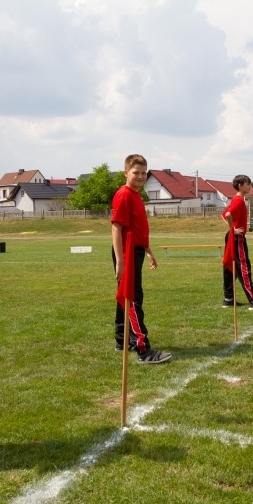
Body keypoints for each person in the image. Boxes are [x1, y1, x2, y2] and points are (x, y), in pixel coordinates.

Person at [111, 154, 172, 364]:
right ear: (126, 173)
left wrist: (148, 251)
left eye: (144, 173)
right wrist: (120, 260)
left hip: (136, 249)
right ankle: (143, 349)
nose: (140, 176)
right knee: (132, 298)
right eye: (136, 172)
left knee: (126, 297)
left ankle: (122, 340)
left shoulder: (137, 195)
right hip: (126, 252)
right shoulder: (124, 195)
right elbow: (116, 227)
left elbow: (137, 228)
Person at [222, 175, 253, 310]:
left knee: (229, 267)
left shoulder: (236, 199)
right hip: (237, 237)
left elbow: (224, 214)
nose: (250, 186)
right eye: (248, 184)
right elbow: (227, 215)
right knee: (243, 267)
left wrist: (231, 229)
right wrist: (233, 229)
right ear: (240, 185)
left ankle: (228, 299)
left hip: (232, 236)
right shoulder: (238, 201)